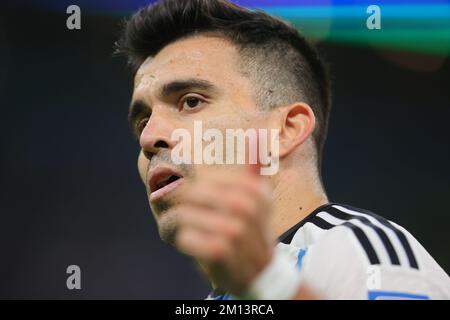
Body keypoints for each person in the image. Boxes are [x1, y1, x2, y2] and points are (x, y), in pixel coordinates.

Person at [115, 0, 450, 299]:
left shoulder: (363, 253)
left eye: (191, 102)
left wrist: (272, 285)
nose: (149, 138)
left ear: (287, 130)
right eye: (143, 122)